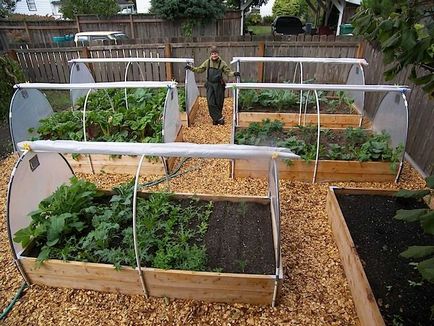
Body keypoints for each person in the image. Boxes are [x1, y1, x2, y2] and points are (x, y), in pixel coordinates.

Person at [186, 46, 240, 125]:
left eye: (215, 53)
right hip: (210, 84)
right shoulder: (207, 62)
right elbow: (199, 69)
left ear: (218, 54)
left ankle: (215, 119)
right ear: (210, 55)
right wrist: (191, 68)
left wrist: (234, 73)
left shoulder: (222, 63)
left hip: (218, 85)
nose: (214, 55)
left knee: (219, 102)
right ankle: (219, 118)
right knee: (211, 103)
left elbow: (228, 72)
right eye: (212, 54)